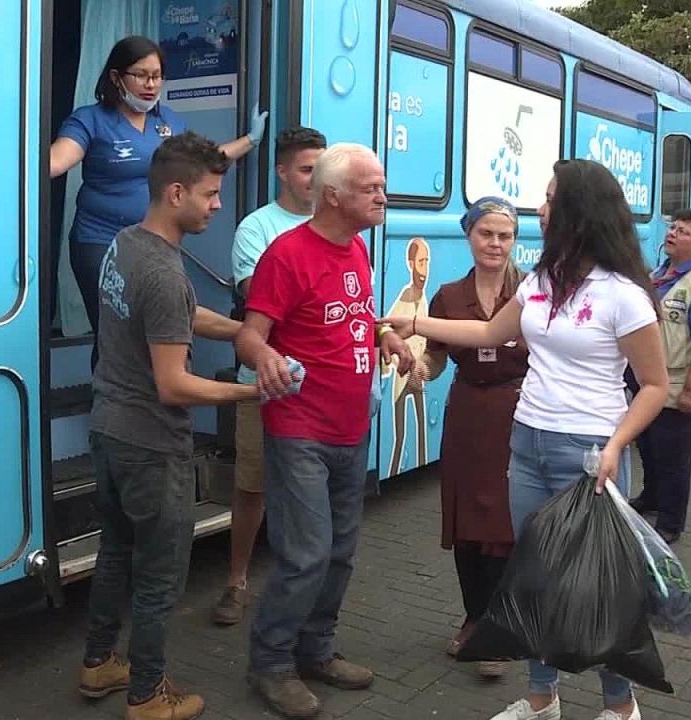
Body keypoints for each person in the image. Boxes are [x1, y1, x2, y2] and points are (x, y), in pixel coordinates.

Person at [383, 159, 670, 720]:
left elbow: (656, 386)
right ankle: (542, 700)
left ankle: (619, 706)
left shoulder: (623, 295)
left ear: (577, 211)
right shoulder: (542, 280)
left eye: (549, 198)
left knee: (597, 587)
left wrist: (615, 447)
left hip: (590, 452)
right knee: (532, 577)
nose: (539, 207)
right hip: (529, 444)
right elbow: (490, 332)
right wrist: (413, 325)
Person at [77, 132, 268, 720]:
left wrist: (242, 333)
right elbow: (174, 385)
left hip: (109, 430)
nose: (217, 205)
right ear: (176, 192)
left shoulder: (126, 246)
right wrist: (253, 391)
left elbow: (182, 314)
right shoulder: (162, 272)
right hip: (151, 444)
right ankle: (147, 696)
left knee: (115, 554)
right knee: (160, 579)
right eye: (211, 195)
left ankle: (98, 664)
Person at [235, 143, 414, 719]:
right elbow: (250, 334)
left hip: (350, 426)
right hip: (299, 427)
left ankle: (317, 650)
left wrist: (381, 335)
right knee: (306, 553)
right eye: (372, 189)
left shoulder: (357, 248)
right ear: (333, 196)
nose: (383, 197)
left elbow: (352, 313)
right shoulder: (287, 255)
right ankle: (272, 663)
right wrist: (263, 357)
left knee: (340, 552)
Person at [49, 35, 269, 336]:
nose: (151, 84)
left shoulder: (168, 120)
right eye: (141, 75)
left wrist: (250, 140)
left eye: (157, 76)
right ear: (116, 77)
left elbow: (201, 161)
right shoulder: (90, 119)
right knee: (116, 333)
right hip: (100, 242)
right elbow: (57, 160)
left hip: (156, 242)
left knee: (160, 326)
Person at [213, 126, 328, 627]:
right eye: (306, 170)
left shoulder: (336, 227)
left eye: (322, 171)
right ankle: (236, 582)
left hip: (319, 385)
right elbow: (262, 301)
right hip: (261, 380)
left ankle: (297, 589)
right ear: (281, 171)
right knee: (253, 486)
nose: (315, 180)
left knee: (308, 493)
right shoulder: (256, 228)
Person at [415, 196, 527, 680]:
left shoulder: (531, 292)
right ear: (470, 236)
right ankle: (473, 615)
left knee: (504, 525)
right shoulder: (447, 296)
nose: (496, 244)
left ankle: (498, 627)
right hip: (468, 414)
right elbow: (437, 356)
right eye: (486, 234)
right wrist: (420, 367)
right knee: (466, 524)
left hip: (519, 412)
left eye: (504, 235)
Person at [629, 209, 691, 544]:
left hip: (677, 383)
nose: (672, 233)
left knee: (674, 457)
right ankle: (651, 498)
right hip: (647, 379)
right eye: (673, 227)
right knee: (650, 447)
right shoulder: (660, 274)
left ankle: (671, 522)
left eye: (683, 232)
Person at [385, 237, 432, 475]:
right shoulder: (405, 296)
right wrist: (395, 362)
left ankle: (419, 465)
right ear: (411, 264)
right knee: (401, 434)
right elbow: (386, 331)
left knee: (422, 431)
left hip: (418, 374)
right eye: (421, 262)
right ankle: (393, 470)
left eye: (427, 262)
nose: (425, 269)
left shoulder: (422, 297)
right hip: (403, 376)